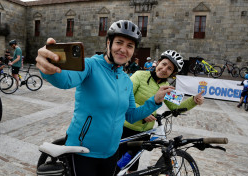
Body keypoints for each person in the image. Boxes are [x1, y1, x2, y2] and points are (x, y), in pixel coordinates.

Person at [35, 20, 174, 176]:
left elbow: (131, 114)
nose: (123, 49)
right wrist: (49, 69)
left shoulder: (126, 80)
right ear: (109, 43)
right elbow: (65, 80)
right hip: (82, 151)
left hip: (111, 153)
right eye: (119, 43)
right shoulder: (90, 65)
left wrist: (155, 100)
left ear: (133, 51)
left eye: (129, 46)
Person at [117, 50, 205, 173]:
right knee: (117, 163)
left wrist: (194, 100)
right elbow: (124, 97)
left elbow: (175, 108)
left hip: (144, 132)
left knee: (132, 165)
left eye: (169, 68)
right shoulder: (139, 75)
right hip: (125, 127)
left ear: (172, 73)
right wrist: (143, 112)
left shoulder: (167, 87)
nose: (164, 69)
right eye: (163, 64)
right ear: (157, 63)